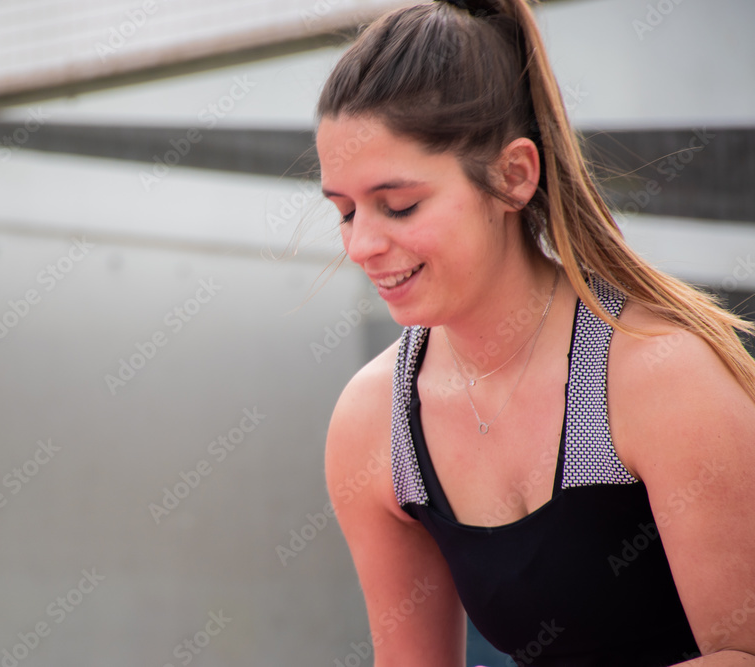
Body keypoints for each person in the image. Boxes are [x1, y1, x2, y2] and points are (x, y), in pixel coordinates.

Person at [314, 1, 755, 665]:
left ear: (514, 175)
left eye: (399, 204)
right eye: (345, 212)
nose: (363, 244)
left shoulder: (659, 374)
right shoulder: (373, 422)